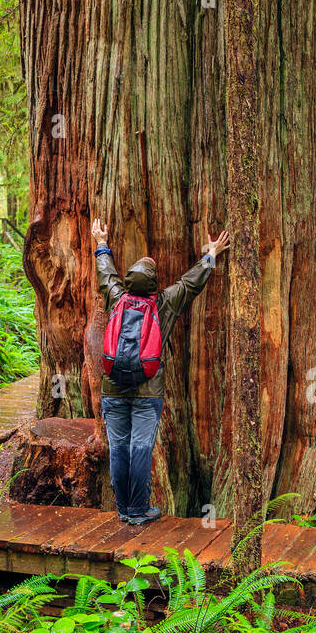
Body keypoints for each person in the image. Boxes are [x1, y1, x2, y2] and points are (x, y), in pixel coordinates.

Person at [92, 217, 230, 525]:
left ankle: (123, 508)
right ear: (154, 283)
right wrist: (210, 254)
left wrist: (101, 243)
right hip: (148, 392)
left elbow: (105, 274)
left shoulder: (115, 297)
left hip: (112, 388)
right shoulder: (164, 303)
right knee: (140, 448)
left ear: (128, 281)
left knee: (118, 449)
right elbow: (190, 283)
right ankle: (138, 510)